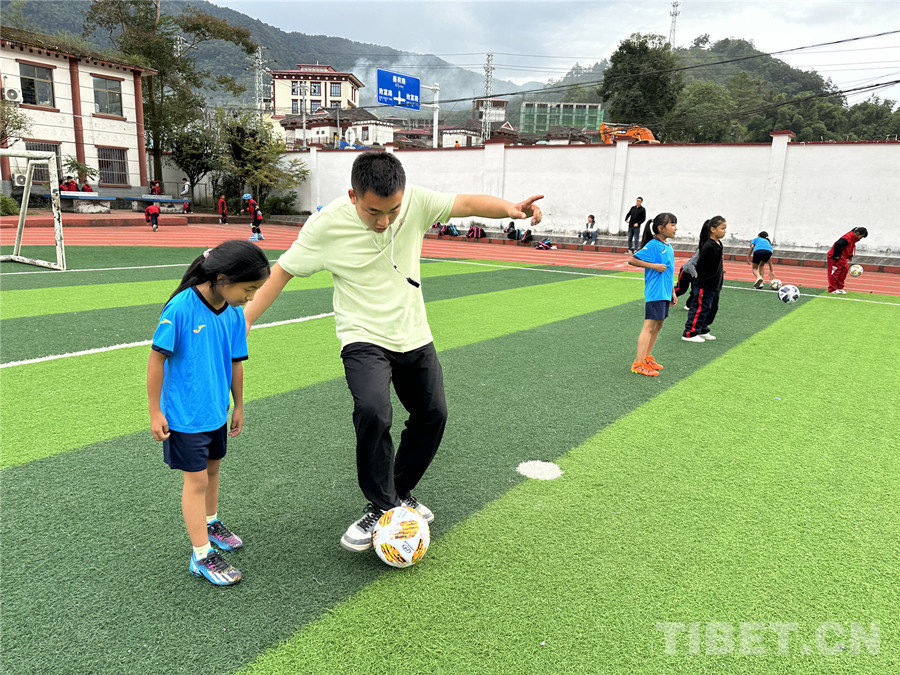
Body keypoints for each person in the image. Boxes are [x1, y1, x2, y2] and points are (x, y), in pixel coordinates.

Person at [243, 151, 543, 552]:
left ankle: (398, 492)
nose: (384, 221)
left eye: (393, 211)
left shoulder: (415, 201)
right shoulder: (325, 226)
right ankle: (383, 508)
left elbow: (466, 203)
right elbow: (280, 273)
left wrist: (510, 208)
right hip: (363, 336)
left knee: (433, 414)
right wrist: (240, 323)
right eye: (373, 212)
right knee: (373, 410)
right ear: (353, 196)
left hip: (413, 333)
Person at [147, 240, 271, 586]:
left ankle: (211, 522)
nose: (251, 297)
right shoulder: (180, 308)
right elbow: (157, 359)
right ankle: (201, 555)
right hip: (184, 416)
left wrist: (239, 404)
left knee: (213, 472)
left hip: (217, 410)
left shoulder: (232, 314)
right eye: (248, 289)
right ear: (221, 278)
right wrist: (155, 410)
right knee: (196, 480)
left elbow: (236, 361)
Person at [627, 213, 678, 377]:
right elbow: (633, 260)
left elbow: (669, 271)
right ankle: (638, 363)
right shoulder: (654, 245)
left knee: (658, 326)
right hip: (655, 292)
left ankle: (647, 358)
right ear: (661, 228)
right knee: (649, 327)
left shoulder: (667, 246)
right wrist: (654, 266)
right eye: (673, 224)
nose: (676, 228)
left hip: (664, 292)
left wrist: (672, 292)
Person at [683, 216, 727, 342]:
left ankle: (702, 329)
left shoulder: (718, 244)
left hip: (715, 284)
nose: (724, 231)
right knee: (700, 308)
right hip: (705, 284)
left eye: (725, 228)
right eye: (722, 228)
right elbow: (700, 265)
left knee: (712, 308)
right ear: (713, 229)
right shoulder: (708, 245)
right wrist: (698, 276)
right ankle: (690, 333)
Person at [827, 226, 867, 294]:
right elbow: (837, 245)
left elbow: (849, 247)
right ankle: (832, 289)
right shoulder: (847, 238)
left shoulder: (853, 239)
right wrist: (836, 256)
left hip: (843, 258)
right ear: (857, 233)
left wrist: (850, 255)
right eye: (861, 236)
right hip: (835, 258)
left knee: (843, 273)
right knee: (835, 273)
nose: (860, 238)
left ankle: (839, 288)